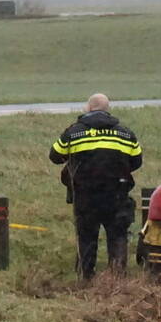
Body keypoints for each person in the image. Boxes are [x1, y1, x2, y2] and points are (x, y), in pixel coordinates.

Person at [49, 93, 142, 279]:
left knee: (86, 238)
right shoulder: (125, 133)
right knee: (117, 236)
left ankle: (86, 278)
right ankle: (117, 279)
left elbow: (55, 156)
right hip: (117, 195)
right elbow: (137, 161)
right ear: (107, 109)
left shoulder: (74, 132)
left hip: (85, 195)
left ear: (89, 108)